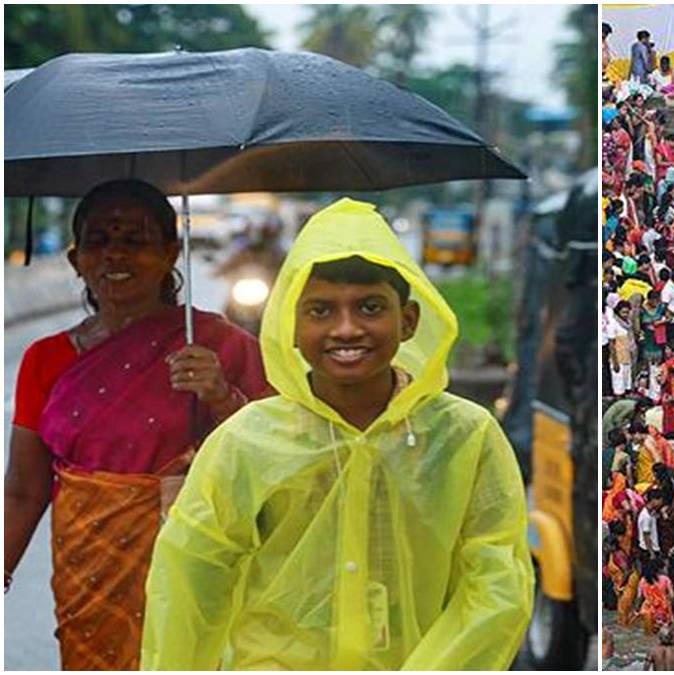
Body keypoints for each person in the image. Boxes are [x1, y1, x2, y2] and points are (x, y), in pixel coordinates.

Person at [140, 199, 533, 669]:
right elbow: (189, 579)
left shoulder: (465, 438)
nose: (346, 329)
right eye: (321, 311)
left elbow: (496, 586)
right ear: (290, 323)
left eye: (369, 308)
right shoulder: (246, 441)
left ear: (408, 320)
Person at [5, 180, 269, 671]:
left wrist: (219, 396)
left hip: (196, 560)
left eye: (135, 240)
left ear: (170, 252)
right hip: (87, 569)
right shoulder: (46, 359)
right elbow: (24, 488)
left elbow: (280, 459)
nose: (115, 255)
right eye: (99, 241)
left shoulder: (219, 346)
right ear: (75, 258)